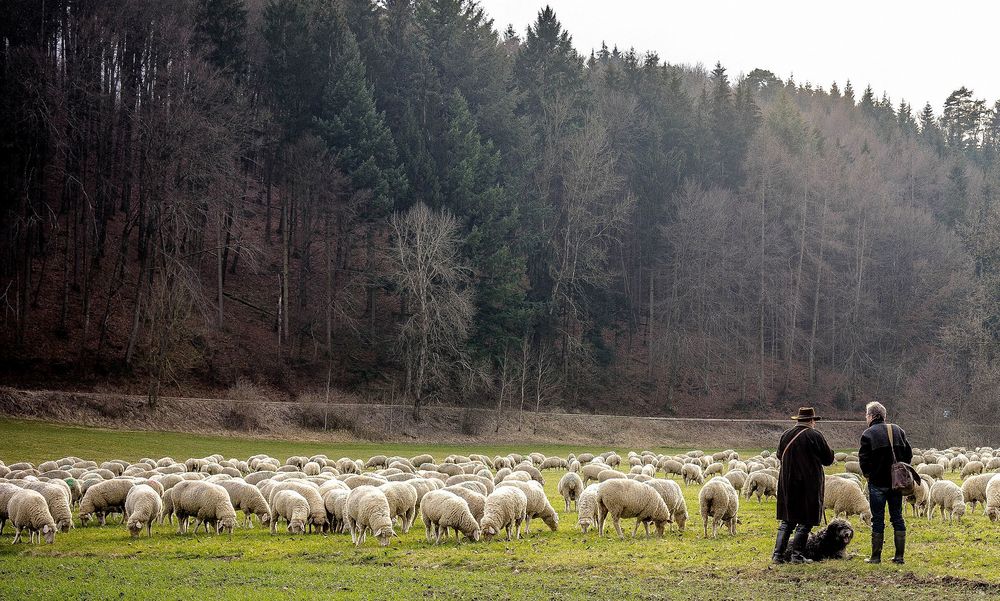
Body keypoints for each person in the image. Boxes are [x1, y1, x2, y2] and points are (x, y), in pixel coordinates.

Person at [772, 407, 835, 564]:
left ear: (798, 420)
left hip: (787, 483)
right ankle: (797, 556)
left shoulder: (786, 435)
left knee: (787, 520)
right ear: (812, 421)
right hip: (808, 484)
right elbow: (828, 459)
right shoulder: (814, 435)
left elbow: (779, 455)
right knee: (805, 521)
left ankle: (778, 555)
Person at [858, 401, 912, 564]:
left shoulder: (868, 434)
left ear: (873, 416)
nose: (866, 418)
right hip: (896, 483)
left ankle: (876, 557)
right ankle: (899, 557)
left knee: (878, 518)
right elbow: (908, 454)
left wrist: (869, 474)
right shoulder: (898, 430)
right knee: (897, 517)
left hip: (877, 483)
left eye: (867, 415)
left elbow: (863, 460)